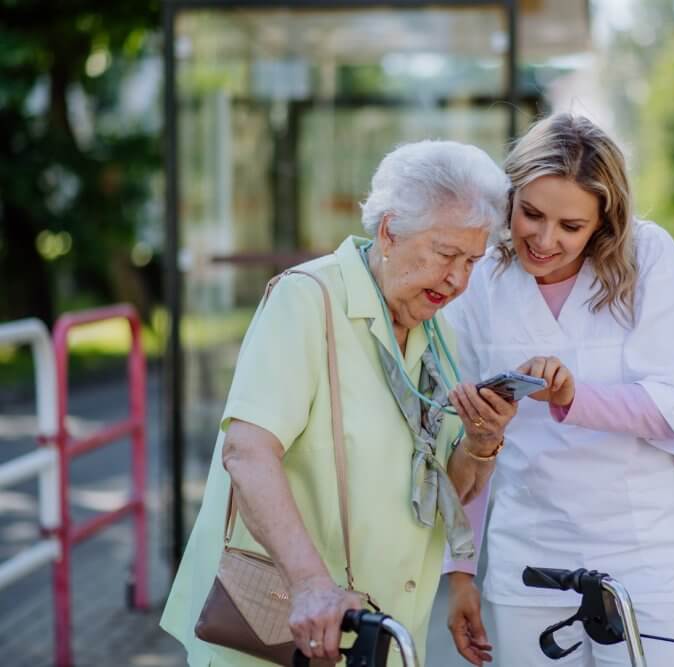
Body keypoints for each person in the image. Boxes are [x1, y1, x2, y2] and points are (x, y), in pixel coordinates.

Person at [161, 140, 518, 667]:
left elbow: (450, 491)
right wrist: (310, 585)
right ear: (390, 230)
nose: (459, 280)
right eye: (446, 255)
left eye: (471, 261)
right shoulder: (307, 299)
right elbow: (247, 452)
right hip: (288, 629)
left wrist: (483, 443)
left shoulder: (437, 334)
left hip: (384, 635)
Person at [443, 114, 674, 667]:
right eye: (531, 215)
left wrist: (572, 396)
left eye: (571, 226)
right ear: (510, 198)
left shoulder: (649, 259)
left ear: (603, 224)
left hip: (649, 557)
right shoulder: (482, 284)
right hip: (529, 557)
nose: (545, 241)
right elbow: (466, 438)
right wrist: (461, 574)